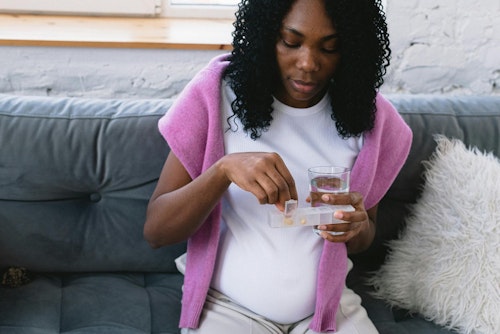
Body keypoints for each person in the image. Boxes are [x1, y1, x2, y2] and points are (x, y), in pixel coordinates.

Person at [144, 0, 412, 333]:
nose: (308, 63)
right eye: (291, 42)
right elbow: (156, 231)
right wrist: (222, 171)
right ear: (266, 35)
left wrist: (356, 227)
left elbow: (364, 234)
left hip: (327, 311)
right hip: (228, 308)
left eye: (330, 48)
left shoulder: (368, 119)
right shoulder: (217, 95)